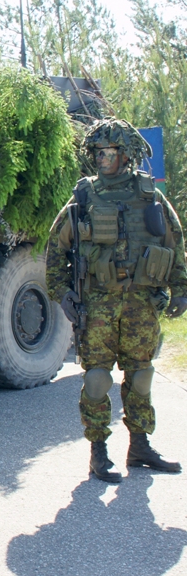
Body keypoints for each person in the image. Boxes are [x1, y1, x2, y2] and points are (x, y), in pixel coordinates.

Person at [46, 118, 187, 483]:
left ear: (125, 155)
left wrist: (181, 287)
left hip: (141, 302)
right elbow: (55, 248)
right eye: (97, 152)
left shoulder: (149, 196)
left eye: (109, 152)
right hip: (97, 306)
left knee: (141, 376)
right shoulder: (84, 197)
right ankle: (98, 452)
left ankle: (139, 446)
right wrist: (62, 292)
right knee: (96, 379)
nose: (102, 158)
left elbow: (174, 241)